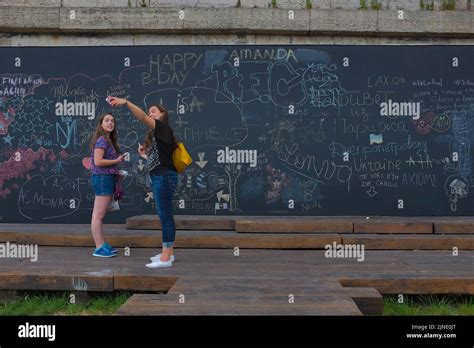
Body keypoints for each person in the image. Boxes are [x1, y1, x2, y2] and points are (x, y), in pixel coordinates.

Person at [109, 96, 178, 268]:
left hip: (163, 177)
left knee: (165, 217)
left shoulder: (163, 128)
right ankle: (169, 254)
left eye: (153, 111)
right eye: (150, 112)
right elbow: (160, 159)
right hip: (160, 175)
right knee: (166, 217)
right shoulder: (159, 133)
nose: (150, 114)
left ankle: (165, 259)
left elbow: (141, 117)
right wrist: (144, 155)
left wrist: (126, 102)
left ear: (163, 114)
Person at [89, 113, 126, 257]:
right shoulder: (102, 141)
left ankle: (102, 244)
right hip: (102, 179)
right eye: (107, 120)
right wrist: (116, 161)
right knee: (98, 215)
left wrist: (116, 171)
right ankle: (99, 248)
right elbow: (98, 161)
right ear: (101, 124)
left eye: (112, 121)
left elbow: (103, 163)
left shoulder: (107, 140)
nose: (110, 123)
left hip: (107, 178)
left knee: (99, 214)